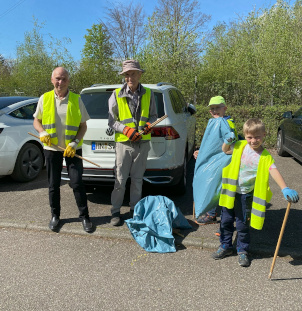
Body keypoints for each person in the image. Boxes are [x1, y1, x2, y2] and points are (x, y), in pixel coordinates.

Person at [212, 118, 299, 267]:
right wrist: (228, 141)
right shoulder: (239, 146)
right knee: (225, 221)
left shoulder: (265, 156)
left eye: (257, 136)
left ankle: (242, 251)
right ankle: (225, 246)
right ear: (245, 136)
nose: (253, 140)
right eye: (249, 137)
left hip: (246, 195)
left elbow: (274, 171)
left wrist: (284, 187)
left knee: (242, 224)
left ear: (264, 135)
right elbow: (225, 150)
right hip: (230, 192)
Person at [33, 67, 93, 233]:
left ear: (68, 81)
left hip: (72, 149)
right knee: (53, 184)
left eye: (64, 79)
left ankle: (85, 217)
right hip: (51, 148)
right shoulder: (44, 98)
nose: (60, 82)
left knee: (77, 183)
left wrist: (75, 142)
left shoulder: (76, 99)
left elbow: (83, 126)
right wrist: (42, 131)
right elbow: (36, 121)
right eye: (58, 78)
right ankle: (55, 216)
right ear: (52, 80)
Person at [108, 60, 157, 226]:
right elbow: (111, 121)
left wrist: (150, 125)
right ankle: (115, 212)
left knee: (137, 180)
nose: (130, 77)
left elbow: (153, 116)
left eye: (133, 73)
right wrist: (125, 130)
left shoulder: (149, 93)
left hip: (142, 144)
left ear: (140, 74)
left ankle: (135, 210)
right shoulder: (116, 94)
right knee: (120, 180)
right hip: (124, 144)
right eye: (127, 74)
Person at [193, 96, 238, 226]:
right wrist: (201, 152)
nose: (214, 111)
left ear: (225, 108)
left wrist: (226, 148)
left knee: (214, 185)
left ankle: (214, 215)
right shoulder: (215, 122)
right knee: (213, 185)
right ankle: (212, 213)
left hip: (222, 160)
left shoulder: (224, 122)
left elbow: (231, 138)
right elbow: (211, 143)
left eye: (217, 107)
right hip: (216, 159)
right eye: (212, 108)